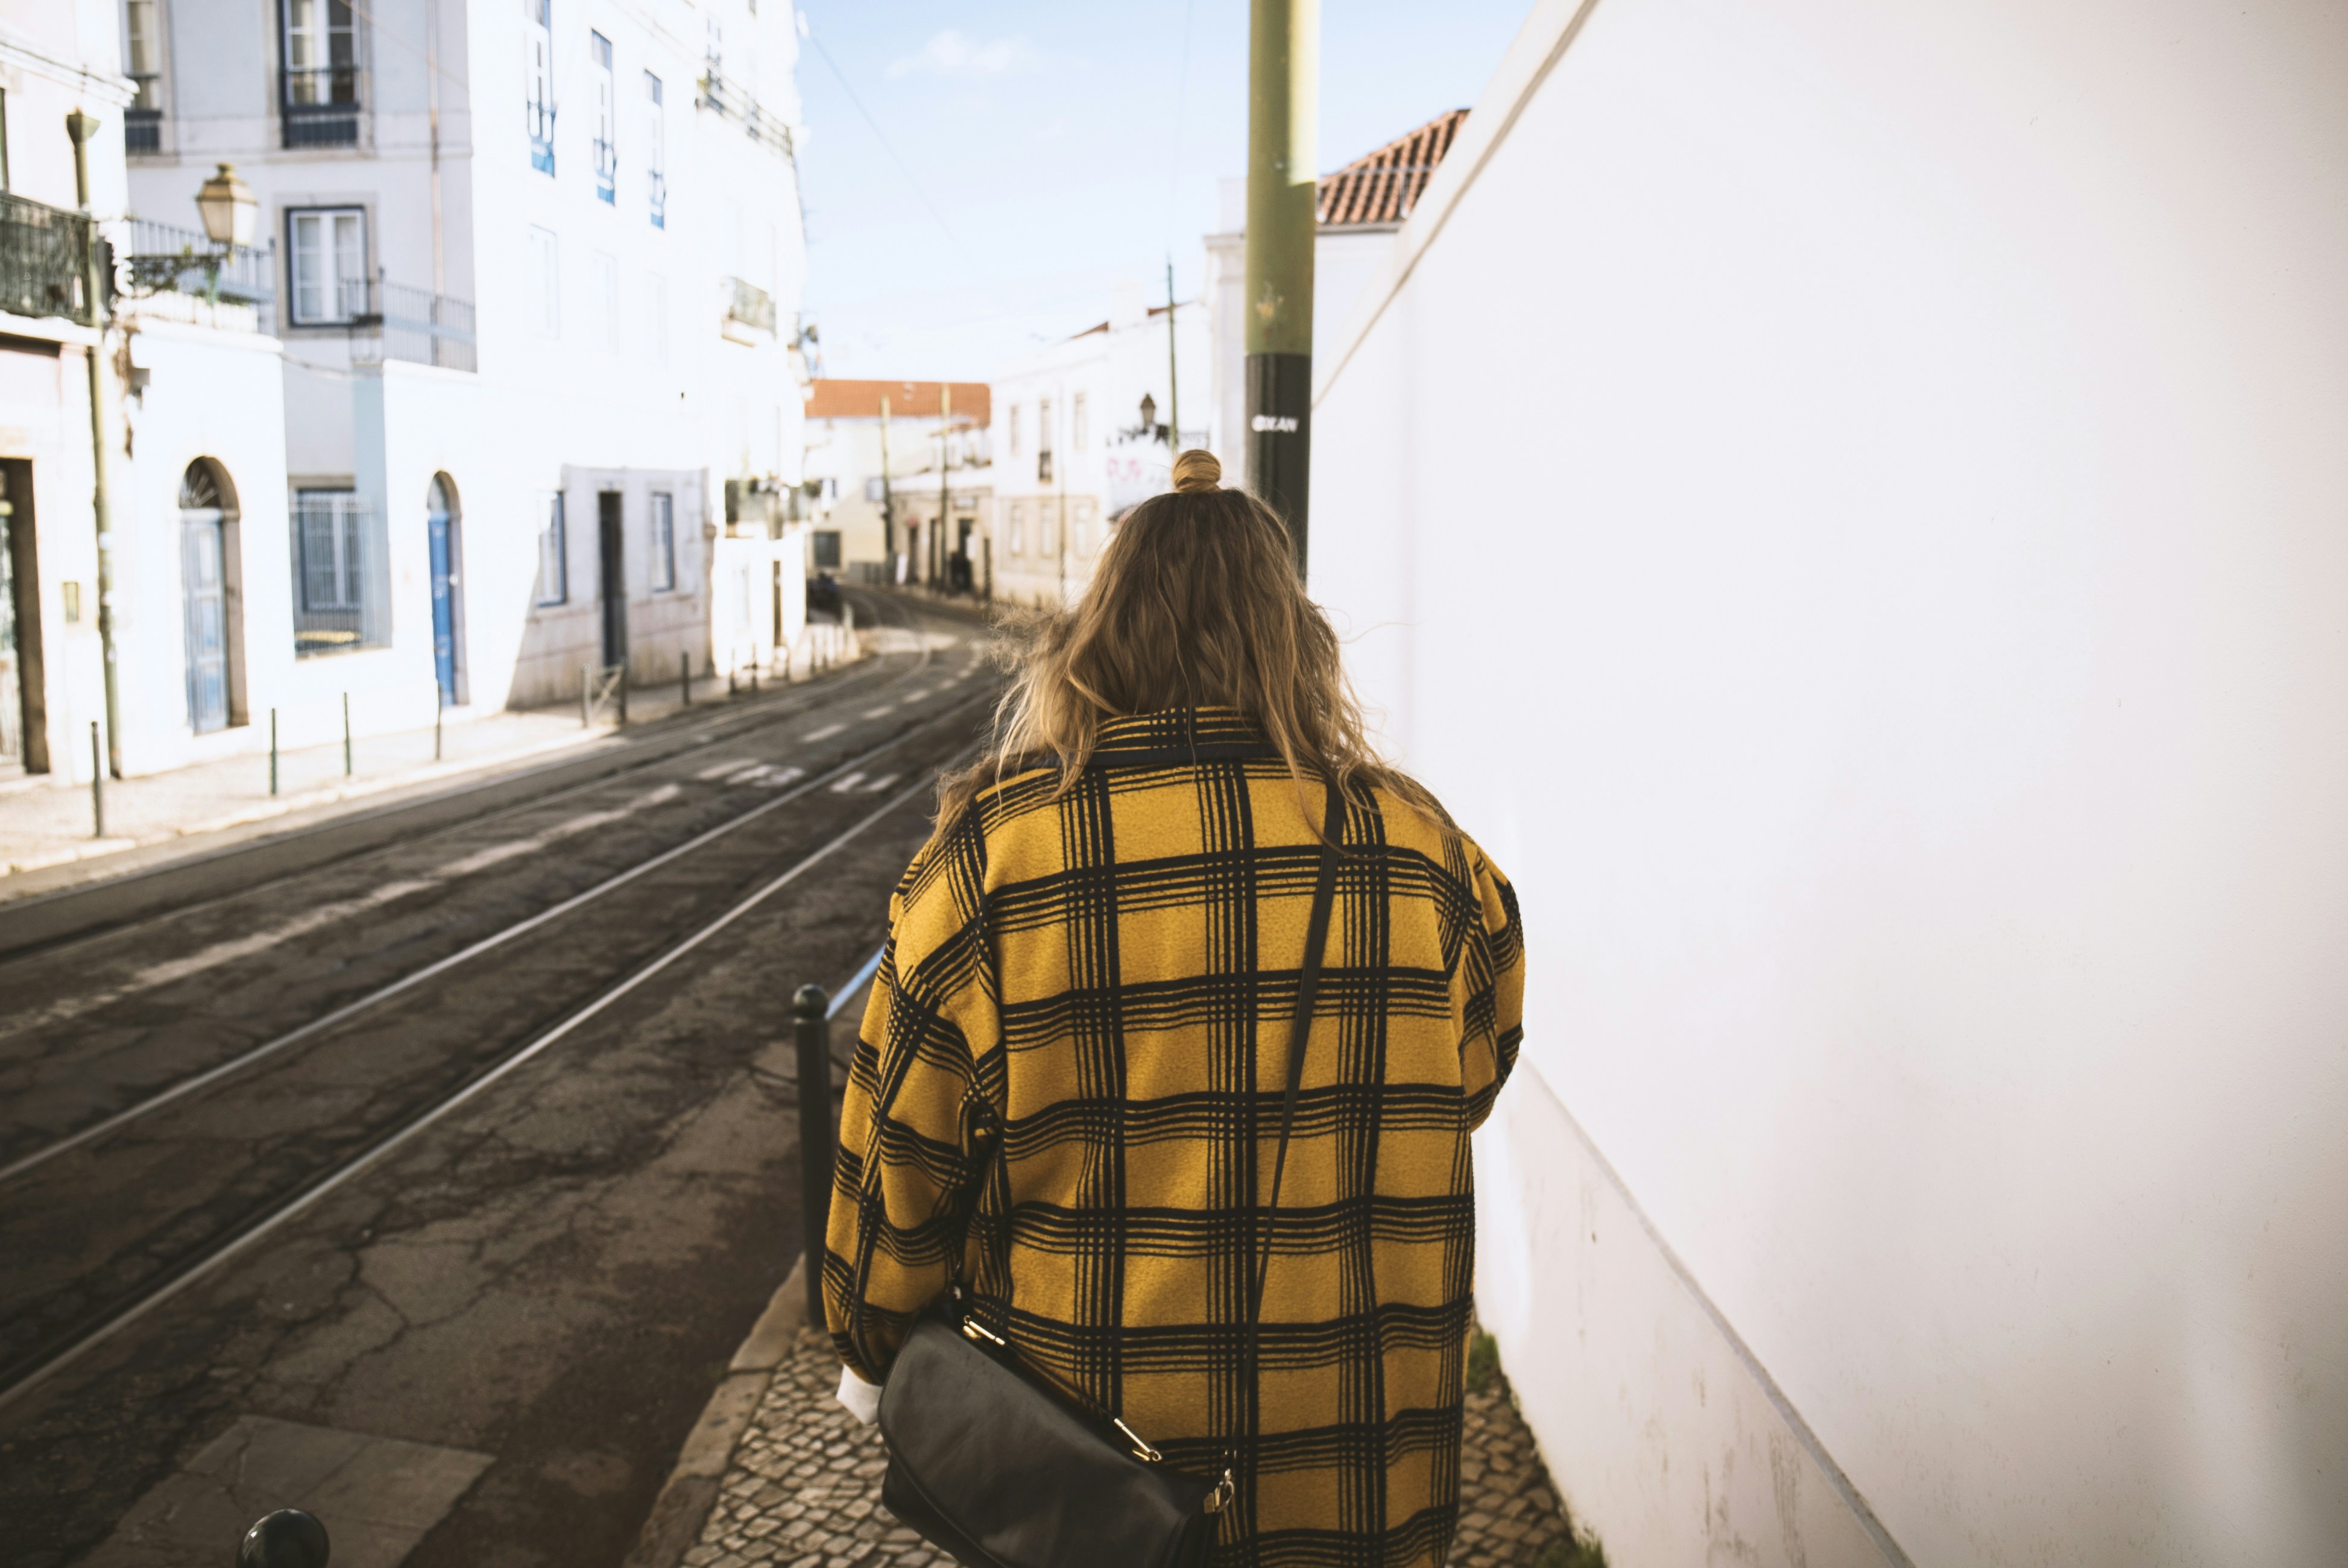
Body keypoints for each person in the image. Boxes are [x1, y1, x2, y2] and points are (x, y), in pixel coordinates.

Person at [824, 449, 1524, 1567]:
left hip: (1088, 1477)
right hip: (1355, 1467)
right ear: (1299, 640)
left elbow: (900, 1160)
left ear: (1093, 637)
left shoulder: (998, 862)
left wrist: (869, 1346)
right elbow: (1472, 1073)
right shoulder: (1425, 853)